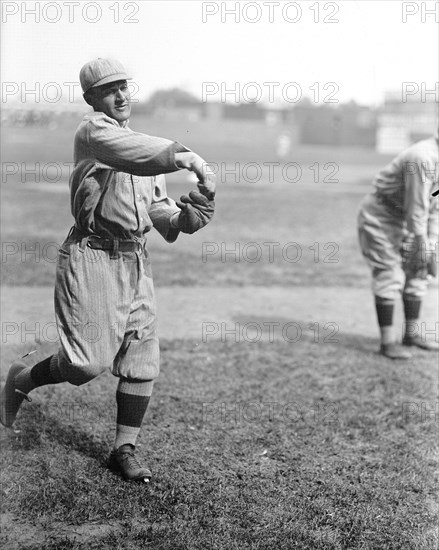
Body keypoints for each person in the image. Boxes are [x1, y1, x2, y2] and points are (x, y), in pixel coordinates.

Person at [0, 58, 216, 482]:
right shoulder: (94, 133)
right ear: (91, 99)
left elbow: (159, 212)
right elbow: (139, 155)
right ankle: (22, 378)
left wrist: (190, 217)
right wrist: (187, 157)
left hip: (135, 259)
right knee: (85, 365)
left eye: (124, 87)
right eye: (109, 90)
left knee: (141, 357)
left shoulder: (141, 147)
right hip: (93, 255)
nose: (121, 96)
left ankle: (124, 448)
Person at [358, 132, 438, 359]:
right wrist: (421, 243)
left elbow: (435, 204)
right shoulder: (422, 157)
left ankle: (411, 334)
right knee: (389, 272)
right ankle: (387, 343)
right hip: (381, 216)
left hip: (407, 218)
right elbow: (417, 206)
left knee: (418, 271)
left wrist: (430, 245)